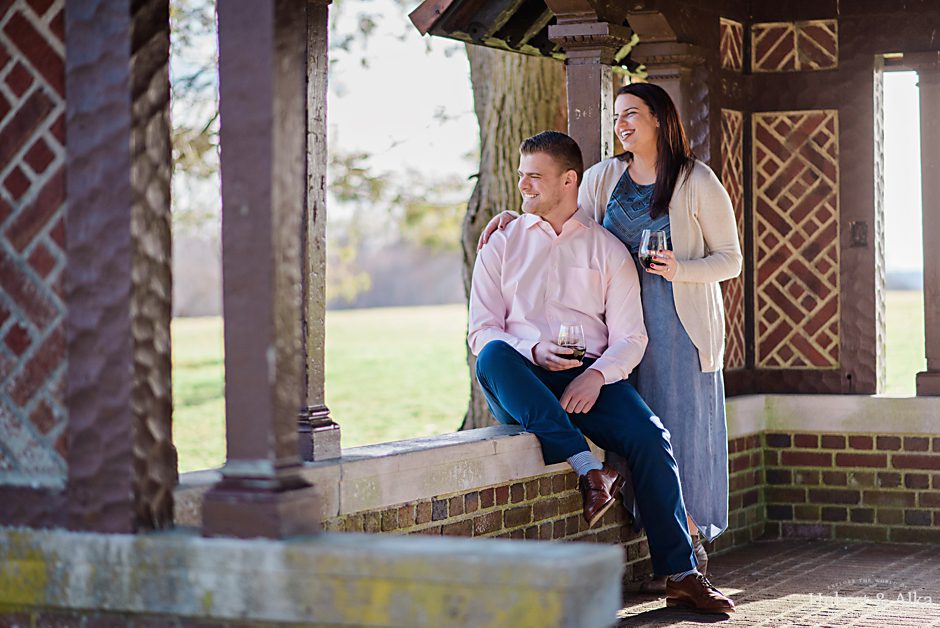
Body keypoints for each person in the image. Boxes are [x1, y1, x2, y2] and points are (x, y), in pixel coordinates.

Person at [479, 83, 742, 591]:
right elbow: (565, 213)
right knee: (508, 360)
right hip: (598, 329)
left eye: (632, 114)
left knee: (669, 431)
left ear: (661, 119)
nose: (621, 124)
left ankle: (688, 557)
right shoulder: (604, 176)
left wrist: (679, 269)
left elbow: (730, 258)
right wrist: (518, 213)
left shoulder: (695, 180)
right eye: (617, 115)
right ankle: (594, 474)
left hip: (671, 320)